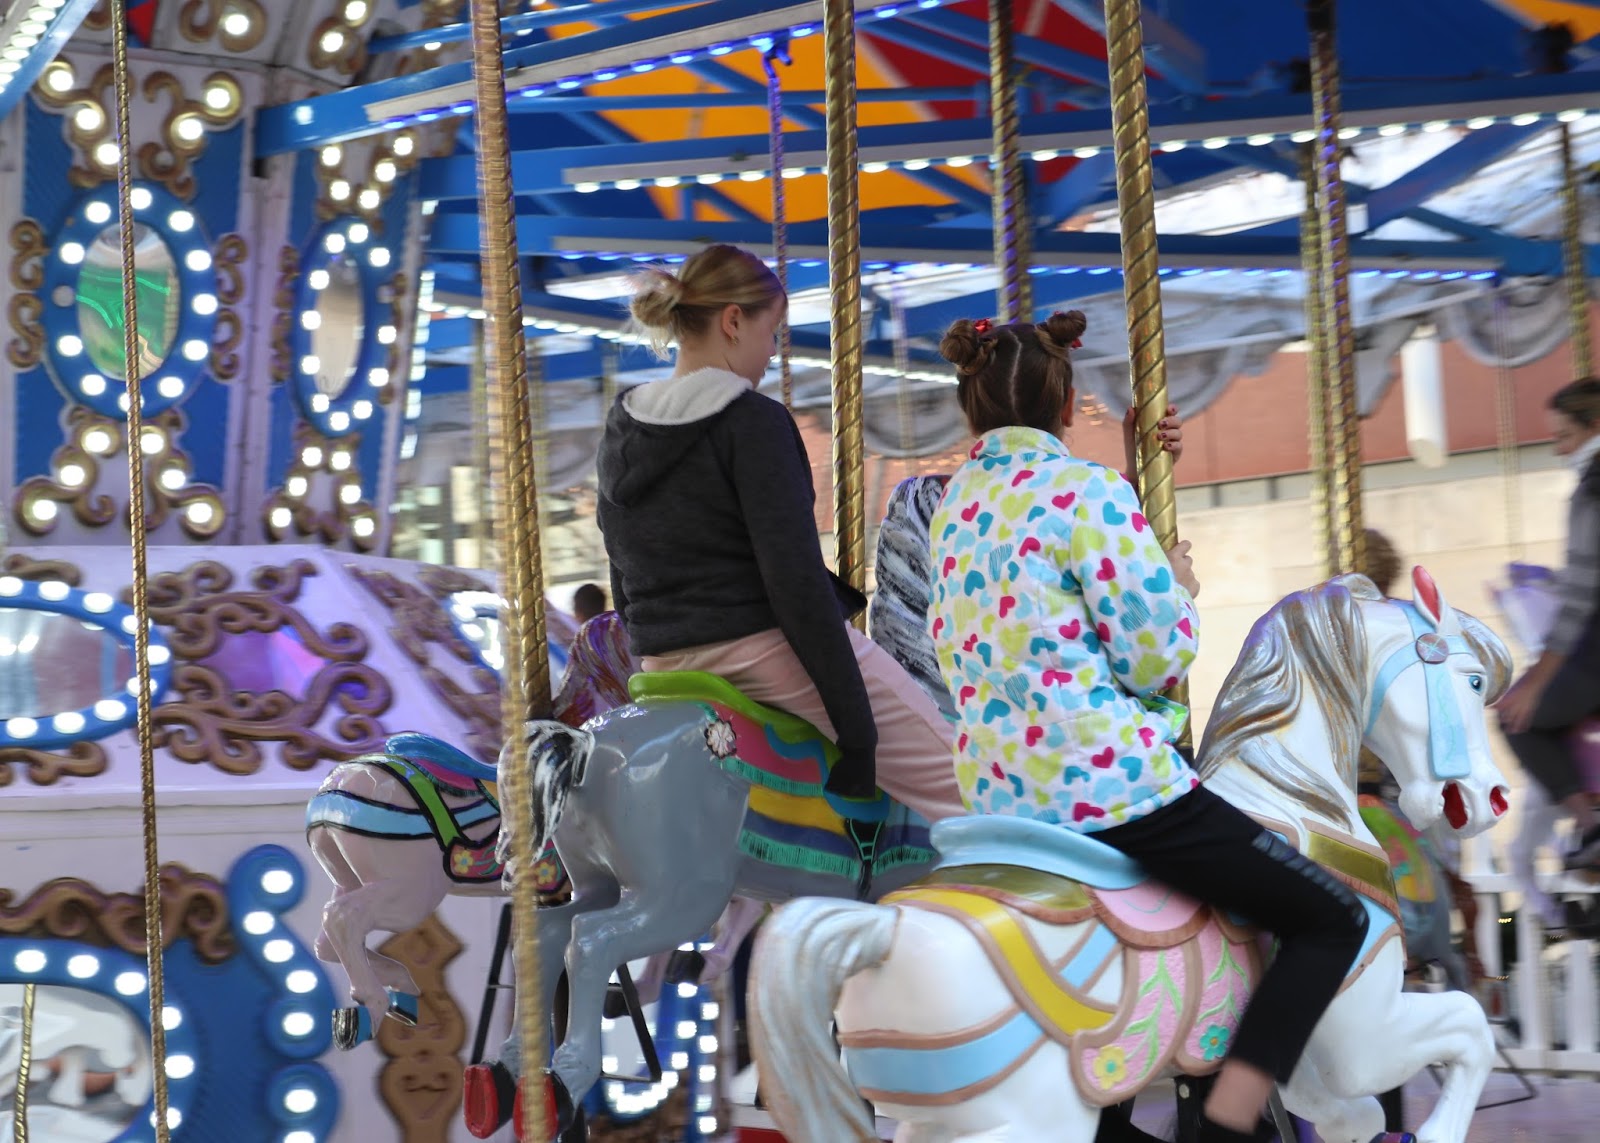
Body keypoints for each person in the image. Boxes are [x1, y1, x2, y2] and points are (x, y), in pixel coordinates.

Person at [926, 312, 1369, 1143]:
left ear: (968, 405)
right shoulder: (1086, 490)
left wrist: (1136, 481)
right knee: (1330, 917)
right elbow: (1159, 651)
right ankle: (1231, 1117)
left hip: (1000, 801)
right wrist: (1176, 580)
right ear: (1067, 407)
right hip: (1108, 789)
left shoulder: (954, 504)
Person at [594, 243, 963, 822]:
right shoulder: (750, 421)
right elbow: (793, 581)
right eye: (772, 334)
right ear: (733, 321)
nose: (772, 354)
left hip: (663, 662)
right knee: (964, 782)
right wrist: (857, 730)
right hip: (756, 650)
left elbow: (620, 564)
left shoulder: (623, 425)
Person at [1498, 376, 1600, 871]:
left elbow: (1579, 599)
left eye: (1565, 436)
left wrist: (1535, 682)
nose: (1560, 449)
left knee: (1515, 718)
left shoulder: (1592, 490)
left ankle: (1590, 825)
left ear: (1594, 425)